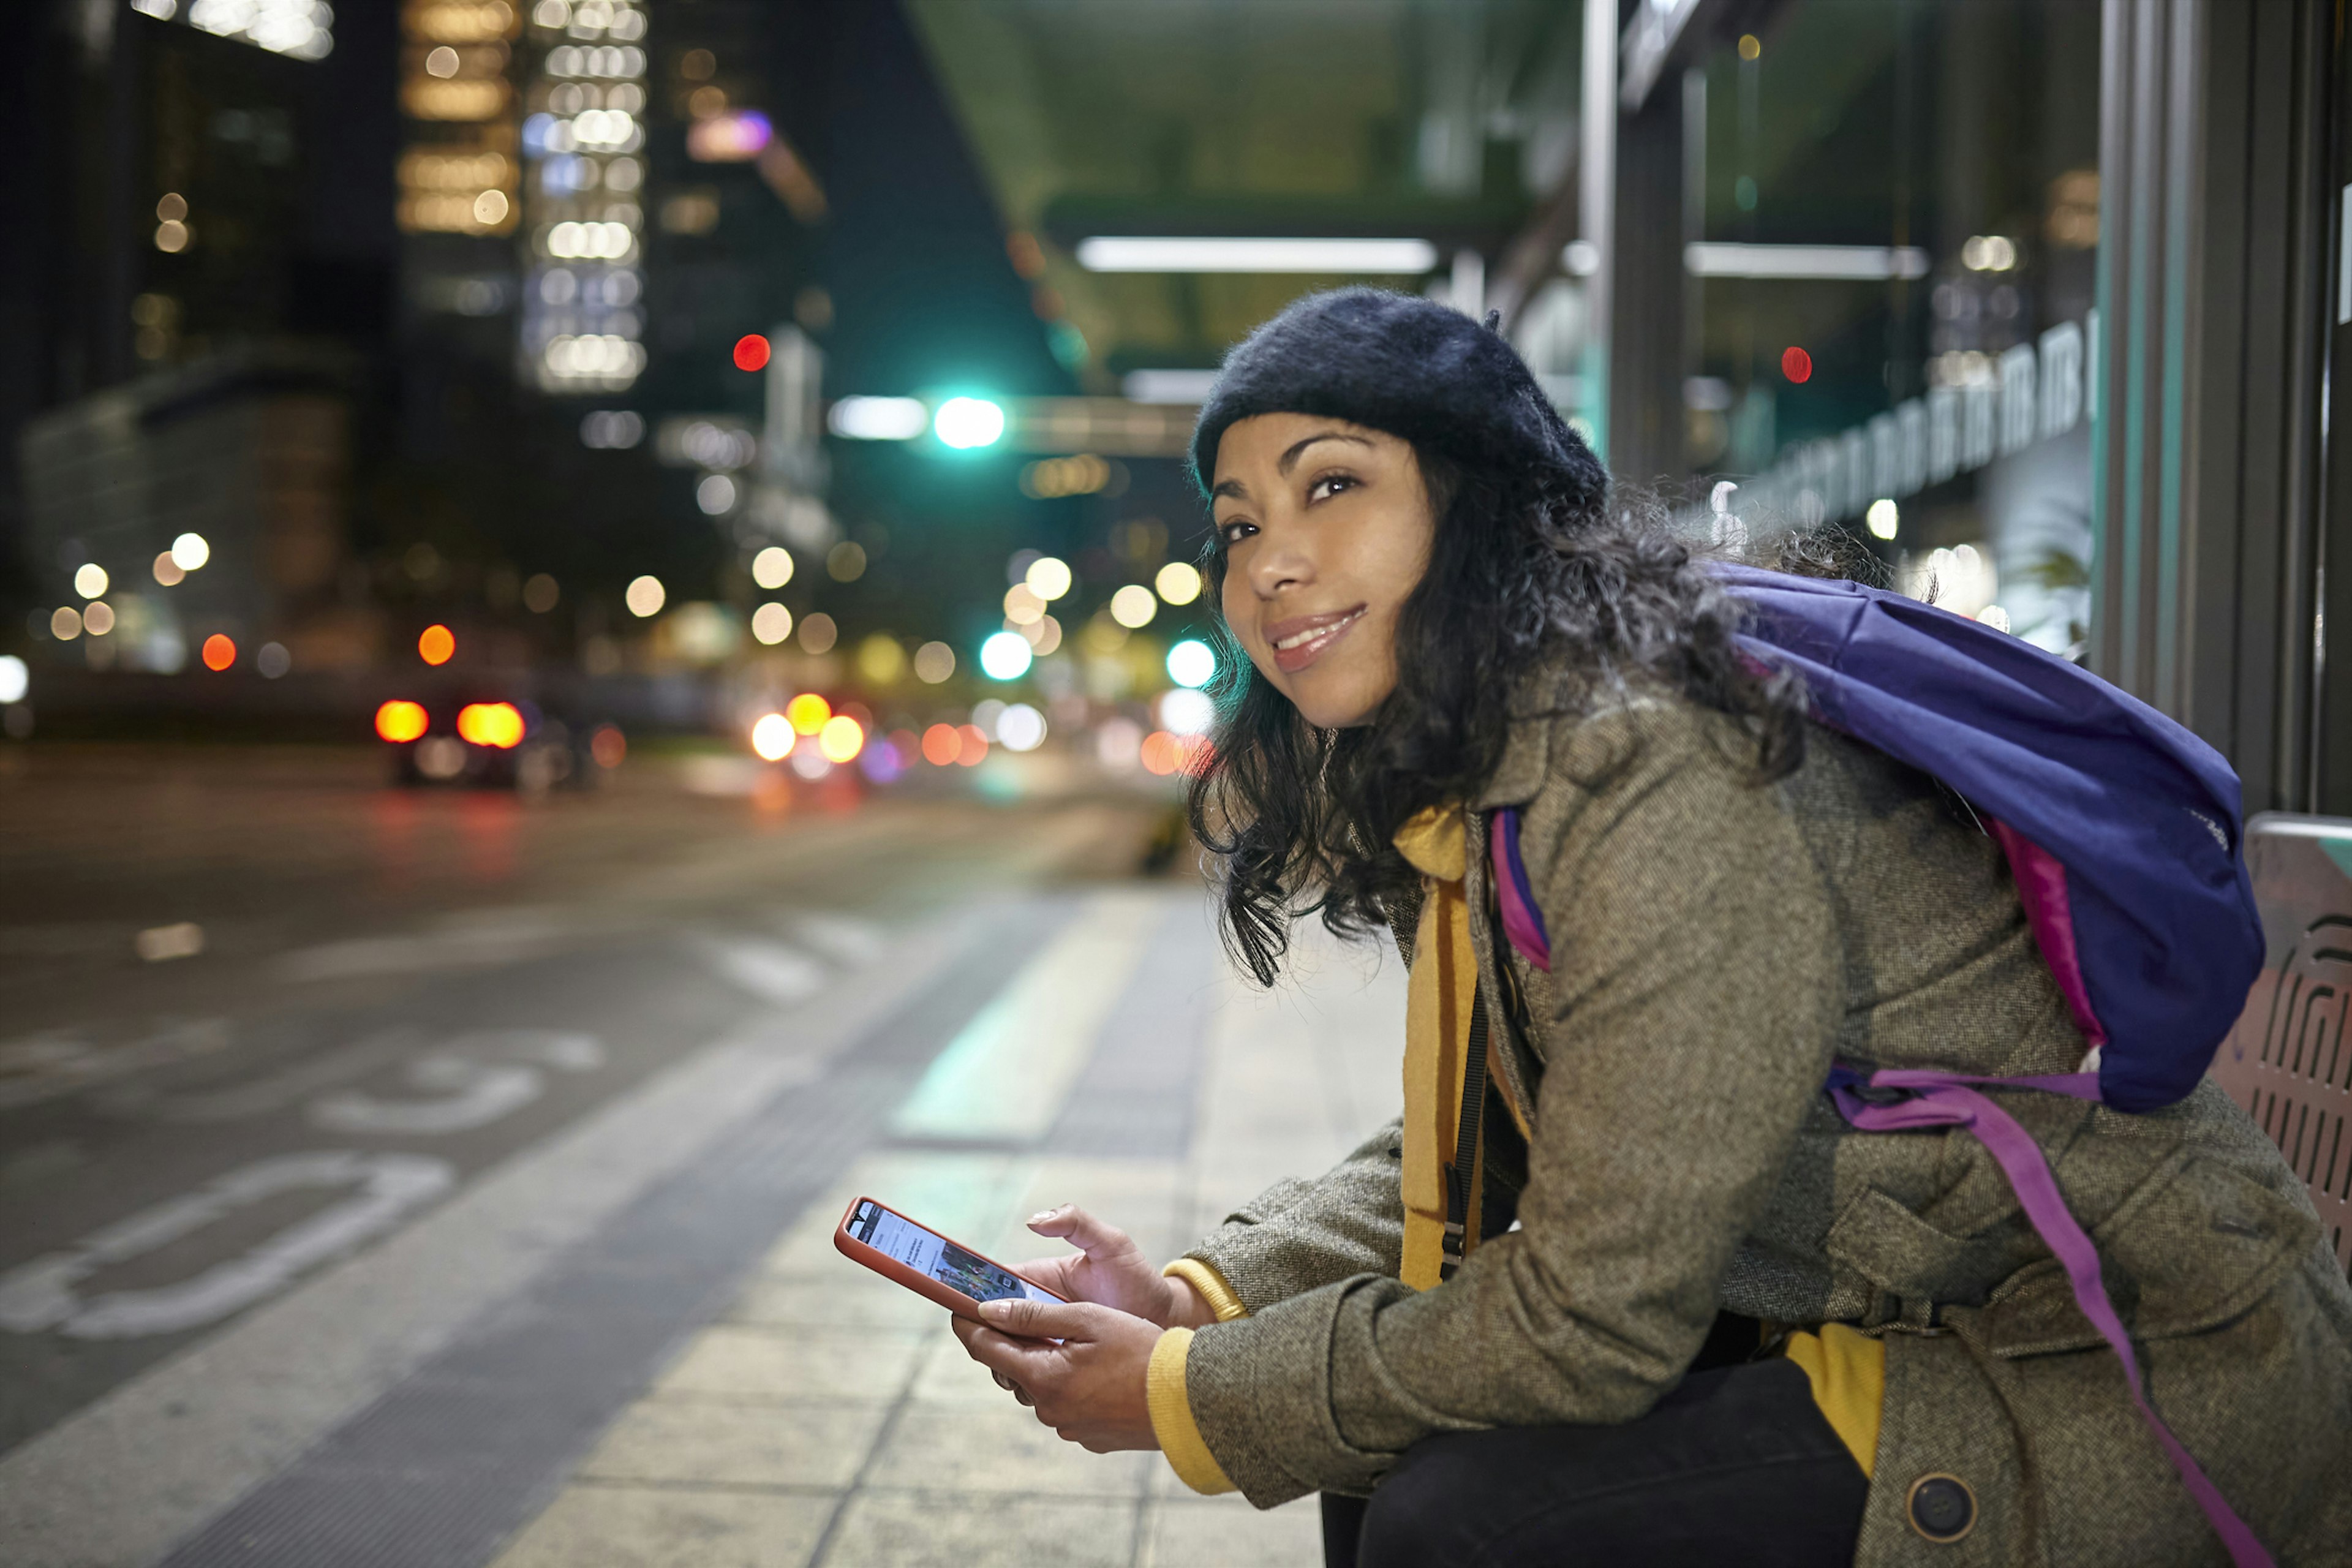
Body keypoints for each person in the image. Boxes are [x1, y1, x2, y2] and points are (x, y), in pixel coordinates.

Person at [949, 288, 2352, 1566]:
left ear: (1481, 505)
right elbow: (1525, 1138)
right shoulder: (1521, 758)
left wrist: (1186, 1394)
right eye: (1242, 522)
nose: (1268, 565)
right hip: (1911, 1317)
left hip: (2105, 1365)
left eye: (1333, 485)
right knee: (1383, 1454)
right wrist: (1208, 1297)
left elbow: (1588, 1326)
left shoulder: (1655, 769)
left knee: (1468, 1521)